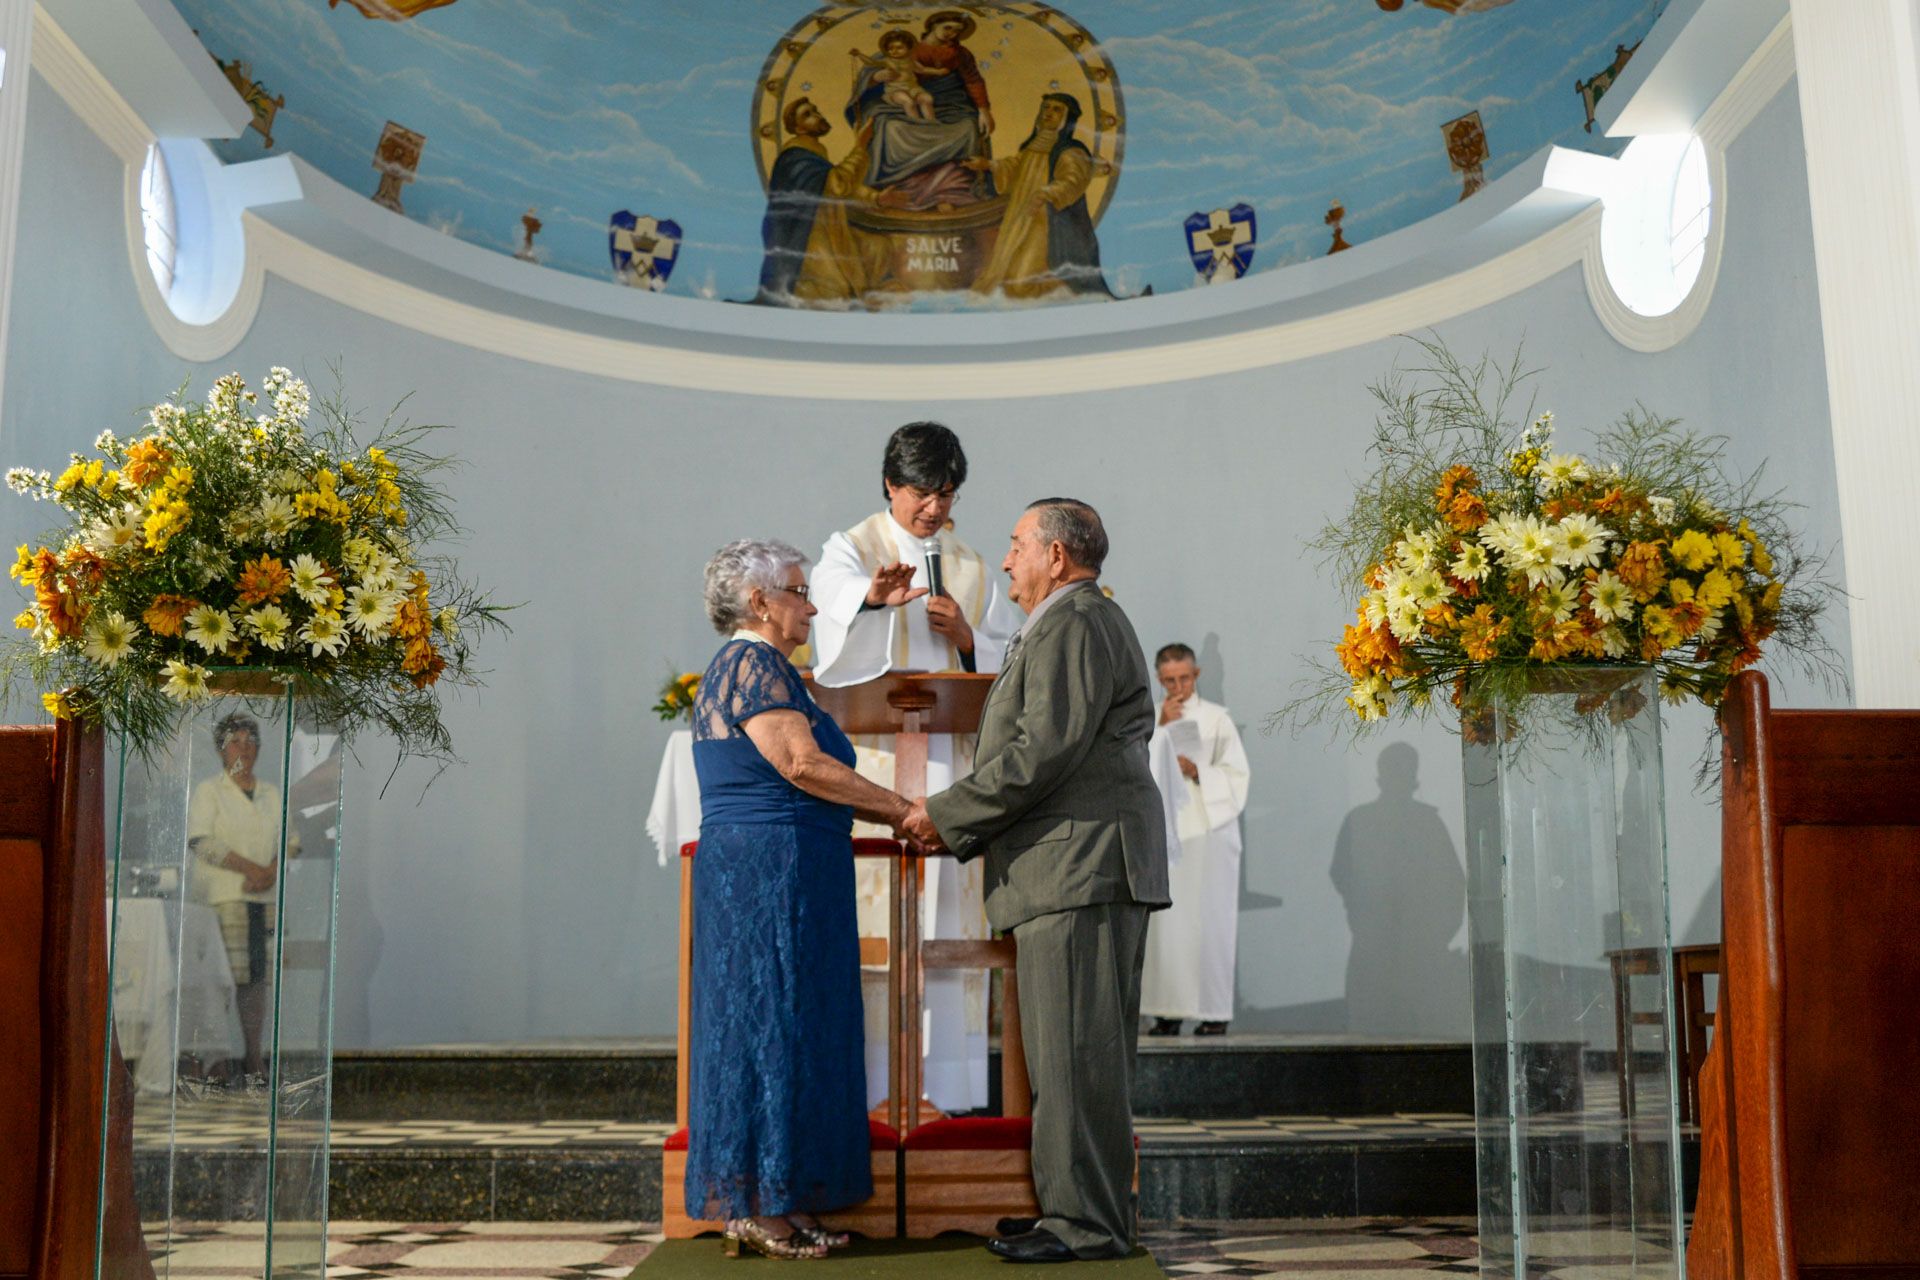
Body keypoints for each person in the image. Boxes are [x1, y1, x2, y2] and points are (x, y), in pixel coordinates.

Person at [904, 499, 1169, 1262]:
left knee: (1079, 1055)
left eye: (1019, 546)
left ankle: (1088, 1223)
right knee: (1064, 1053)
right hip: (1070, 865)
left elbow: (1041, 752)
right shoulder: (1062, 621)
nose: (1008, 560)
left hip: (1081, 865)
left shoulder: (1077, 621)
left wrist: (945, 814)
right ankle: (1072, 1207)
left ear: (1057, 556)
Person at [685, 539, 916, 1260]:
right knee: (769, 1025)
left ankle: (779, 1199)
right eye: (798, 590)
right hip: (770, 872)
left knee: (780, 1022)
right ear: (760, 602)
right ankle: (761, 1206)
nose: (810, 604)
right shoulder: (751, 662)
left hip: (784, 867)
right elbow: (799, 762)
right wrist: (903, 810)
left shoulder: (761, 667)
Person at [809, 422, 1021, 1114]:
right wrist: (873, 599)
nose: (935, 507)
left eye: (948, 492)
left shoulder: (973, 564)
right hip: (880, 767)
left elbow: (1008, 660)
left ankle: (950, 1093)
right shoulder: (853, 547)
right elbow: (829, 619)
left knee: (951, 933)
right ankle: (874, 1090)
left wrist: (968, 641)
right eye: (923, 492)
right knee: (881, 935)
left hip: (953, 771)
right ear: (891, 485)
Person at [1140, 643, 1251, 1037]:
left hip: (1209, 831)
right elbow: (1134, 771)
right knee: (1167, 927)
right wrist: (1163, 730)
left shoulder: (1217, 719)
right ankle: (1166, 1011)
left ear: (1197, 675)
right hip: (1167, 833)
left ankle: (1212, 1012)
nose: (1178, 687)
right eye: (1169, 680)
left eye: (1184, 678)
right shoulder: (1147, 720)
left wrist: (1198, 770)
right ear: (1158, 679)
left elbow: (1237, 777)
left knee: (1209, 924)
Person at [186, 712, 298, 1078]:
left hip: (263, 900)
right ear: (221, 749)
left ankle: (254, 1057)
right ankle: (214, 1059)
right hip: (223, 899)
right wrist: (251, 869)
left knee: (256, 981)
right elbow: (201, 841)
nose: (244, 748)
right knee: (221, 978)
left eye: (251, 741)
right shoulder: (210, 790)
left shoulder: (271, 793)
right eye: (236, 740)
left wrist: (269, 872)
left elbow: (290, 842)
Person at [966, 94, 1112, 299]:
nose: (1049, 113)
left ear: (1066, 118)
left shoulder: (1071, 151)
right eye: (1046, 108)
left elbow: (1073, 181)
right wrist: (988, 165)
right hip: (1020, 219)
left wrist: (1045, 194)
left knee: (1019, 286)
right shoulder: (1032, 147)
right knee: (1004, 279)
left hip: (1047, 224)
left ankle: (1066, 288)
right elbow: (1015, 168)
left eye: (1056, 110)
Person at [848, 33, 940, 122]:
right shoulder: (887, 61)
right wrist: (859, 54)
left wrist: (938, 71)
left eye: (899, 48)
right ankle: (916, 122)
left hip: (914, 89)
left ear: (908, 48)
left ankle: (931, 122)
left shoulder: (911, 61)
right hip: (896, 91)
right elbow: (871, 63)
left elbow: (922, 70)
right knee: (908, 102)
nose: (894, 51)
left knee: (927, 99)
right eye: (890, 48)